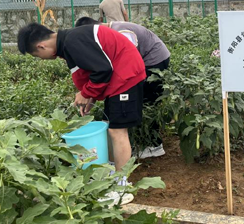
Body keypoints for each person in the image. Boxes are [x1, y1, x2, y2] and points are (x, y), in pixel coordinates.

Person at [17, 22, 146, 205]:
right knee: (110, 126)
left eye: (37, 56)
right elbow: (95, 69)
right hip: (118, 79)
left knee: (118, 131)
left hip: (126, 76)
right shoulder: (69, 42)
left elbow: (103, 69)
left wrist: (86, 93)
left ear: (41, 46)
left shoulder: (73, 42)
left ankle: (122, 186)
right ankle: (112, 173)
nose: (41, 58)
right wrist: (91, 97)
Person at [75, 17, 171, 159]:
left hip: (154, 61)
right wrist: (92, 96)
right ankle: (127, 142)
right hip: (141, 62)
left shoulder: (122, 32)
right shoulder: (108, 33)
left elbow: (126, 66)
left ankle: (154, 146)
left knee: (149, 101)